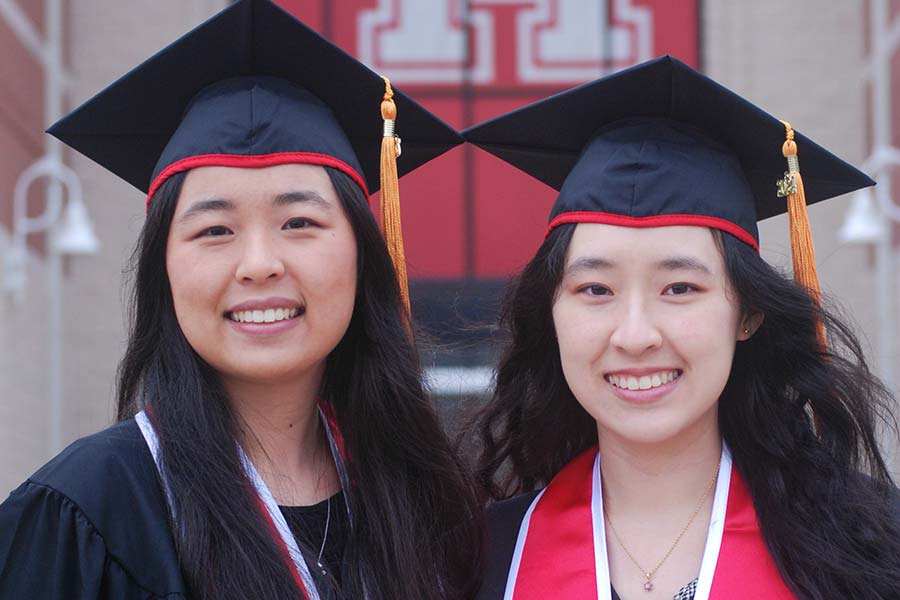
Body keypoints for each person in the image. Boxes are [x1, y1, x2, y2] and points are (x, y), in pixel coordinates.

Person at [0, 1, 481, 599]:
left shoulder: (423, 497)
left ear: (362, 255)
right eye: (214, 230)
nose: (259, 265)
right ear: (164, 271)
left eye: (299, 222)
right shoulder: (88, 512)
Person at [464, 56, 900, 599]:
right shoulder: (476, 561)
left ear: (747, 313)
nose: (635, 334)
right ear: (551, 315)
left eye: (680, 289)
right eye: (595, 290)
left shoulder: (868, 544)